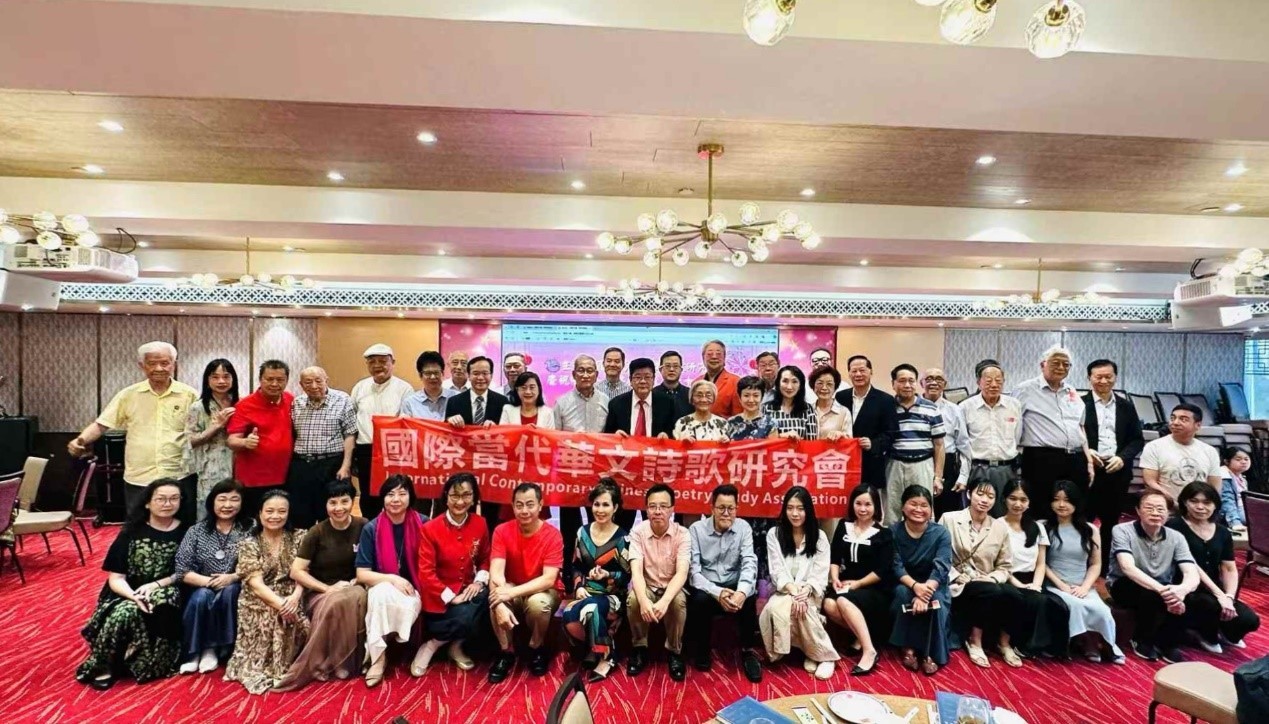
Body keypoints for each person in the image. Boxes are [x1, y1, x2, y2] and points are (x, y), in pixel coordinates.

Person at [75, 479, 188, 690]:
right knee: (126, 611)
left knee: (162, 602)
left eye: (174, 498)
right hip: (126, 591)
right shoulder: (131, 532)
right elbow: (116, 578)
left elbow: (184, 572)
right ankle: (105, 665)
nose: (168, 504)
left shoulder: (187, 532)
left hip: (167, 587)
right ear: (147, 503)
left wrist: (155, 585)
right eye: (161, 499)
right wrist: (134, 596)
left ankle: (154, 663)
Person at [69, 341, 198, 520]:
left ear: (174, 365)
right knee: (138, 528)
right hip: (139, 476)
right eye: (152, 363)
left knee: (182, 526)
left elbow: (202, 429)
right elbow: (102, 424)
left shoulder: (190, 395)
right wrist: (80, 440)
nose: (159, 368)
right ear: (142, 366)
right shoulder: (128, 395)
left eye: (165, 363)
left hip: (179, 473)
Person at [275, 481, 368, 690]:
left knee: (350, 598)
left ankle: (339, 661)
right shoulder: (317, 532)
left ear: (352, 502)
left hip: (355, 586)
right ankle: (328, 661)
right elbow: (297, 571)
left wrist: (357, 581)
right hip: (320, 591)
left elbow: (373, 560)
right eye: (333, 503)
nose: (339, 508)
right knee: (336, 601)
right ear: (325, 505)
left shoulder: (363, 526)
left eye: (344, 501)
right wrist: (328, 589)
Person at [224, 490, 309, 694]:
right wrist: (282, 606)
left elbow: (304, 572)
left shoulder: (300, 537)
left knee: (302, 621)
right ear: (260, 513)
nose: (275, 516)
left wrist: (295, 597)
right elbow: (256, 585)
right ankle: (266, 667)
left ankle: (292, 663)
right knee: (273, 613)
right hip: (258, 598)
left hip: (293, 594)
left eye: (282, 511)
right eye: (269, 511)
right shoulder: (249, 544)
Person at [1108, 490, 1201, 662]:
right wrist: (1163, 591)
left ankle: (1168, 643)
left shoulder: (1177, 537)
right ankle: (1141, 639)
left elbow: (1191, 572)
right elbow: (1127, 567)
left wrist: (1182, 590)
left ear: (1168, 513)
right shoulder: (1122, 530)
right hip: (1125, 583)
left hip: (1163, 585)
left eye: (1160, 509)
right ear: (1138, 510)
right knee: (1151, 595)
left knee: (1190, 596)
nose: (1155, 513)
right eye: (1149, 508)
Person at [354, 474, 430, 686]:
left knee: (381, 599)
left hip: (415, 591)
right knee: (380, 593)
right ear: (383, 498)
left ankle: (379, 653)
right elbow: (362, 574)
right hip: (383, 589)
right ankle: (379, 658)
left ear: (410, 497)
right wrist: (392, 579)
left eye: (402, 494)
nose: (395, 499)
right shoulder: (371, 529)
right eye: (390, 494)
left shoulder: (424, 524)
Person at [1167, 482, 1260, 653]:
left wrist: (1229, 597)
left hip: (1214, 588)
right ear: (1184, 502)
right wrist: (1219, 596)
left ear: (1215, 505)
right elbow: (1191, 565)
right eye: (1194, 501)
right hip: (1186, 587)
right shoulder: (1174, 526)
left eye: (1207, 502)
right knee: (1211, 606)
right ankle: (1201, 633)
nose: (1200, 507)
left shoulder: (1223, 532)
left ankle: (1222, 630)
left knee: (1250, 620)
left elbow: (1229, 568)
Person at [413, 472, 491, 676]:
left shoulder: (480, 523)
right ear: (446, 497)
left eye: (466, 495)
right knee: (466, 616)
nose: (460, 501)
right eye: (455, 495)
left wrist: (478, 582)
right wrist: (451, 597)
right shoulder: (430, 529)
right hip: (439, 597)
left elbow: (485, 558)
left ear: (474, 498)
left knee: (489, 597)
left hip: (468, 591)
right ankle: (432, 644)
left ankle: (455, 645)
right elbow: (426, 573)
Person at [940, 482, 1024, 668]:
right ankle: (974, 641)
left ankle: (1004, 643)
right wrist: (956, 576)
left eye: (990, 497)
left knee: (1015, 594)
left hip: (986, 581)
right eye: (980, 494)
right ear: (969, 494)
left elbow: (1005, 566)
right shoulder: (949, 519)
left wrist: (992, 578)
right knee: (990, 591)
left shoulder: (999, 527)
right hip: (958, 583)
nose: (985, 500)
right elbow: (938, 555)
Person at [759, 486, 839, 680]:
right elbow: (776, 570)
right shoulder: (774, 534)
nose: (795, 513)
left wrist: (806, 590)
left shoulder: (819, 537)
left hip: (810, 592)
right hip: (784, 590)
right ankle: (810, 651)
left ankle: (826, 657)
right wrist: (793, 591)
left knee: (802, 608)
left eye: (800, 508)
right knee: (774, 609)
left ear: (808, 510)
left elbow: (820, 574)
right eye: (790, 508)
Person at [488, 483, 565, 683]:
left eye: (530, 504)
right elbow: (495, 572)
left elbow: (548, 579)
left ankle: (536, 648)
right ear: (512, 506)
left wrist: (510, 593)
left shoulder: (552, 534)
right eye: (519, 505)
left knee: (538, 603)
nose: (524, 511)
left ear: (540, 505)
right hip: (512, 585)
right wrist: (499, 602)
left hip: (544, 590)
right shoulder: (501, 531)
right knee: (495, 596)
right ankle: (506, 652)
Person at [686, 484, 762, 683]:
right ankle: (702, 649)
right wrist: (717, 592)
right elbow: (694, 572)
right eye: (721, 508)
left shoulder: (743, 528)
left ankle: (747, 651)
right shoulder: (696, 530)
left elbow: (749, 562)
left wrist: (741, 592)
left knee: (749, 594)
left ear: (737, 509)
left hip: (734, 584)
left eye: (731, 508)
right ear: (712, 508)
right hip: (708, 587)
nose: (726, 513)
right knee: (699, 599)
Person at [1043, 480, 1125, 663]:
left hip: (1082, 584)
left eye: (1067, 500)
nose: (1061, 505)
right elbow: (1041, 563)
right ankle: (1082, 642)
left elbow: (1095, 564)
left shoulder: (1090, 529)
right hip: (1055, 584)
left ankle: (1104, 645)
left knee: (1102, 610)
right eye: (1056, 499)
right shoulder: (1044, 527)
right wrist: (1062, 586)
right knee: (1075, 605)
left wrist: (1085, 587)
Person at [174, 479, 250, 675]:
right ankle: (194, 653)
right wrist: (211, 582)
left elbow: (259, 562)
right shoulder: (196, 531)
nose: (227, 505)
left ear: (242, 503)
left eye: (234, 499)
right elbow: (182, 570)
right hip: (201, 584)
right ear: (212, 502)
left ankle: (214, 649)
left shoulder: (250, 528)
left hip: (237, 583)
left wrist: (233, 577)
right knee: (202, 596)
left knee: (229, 592)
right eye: (222, 499)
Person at [561, 478, 631, 682]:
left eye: (606, 505)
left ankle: (607, 656)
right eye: (597, 504)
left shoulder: (622, 538)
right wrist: (579, 586)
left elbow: (627, 575)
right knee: (569, 617)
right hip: (586, 592)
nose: (600, 510)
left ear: (615, 507)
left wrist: (608, 575)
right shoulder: (581, 533)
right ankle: (596, 647)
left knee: (591, 609)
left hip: (612, 596)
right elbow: (575, 566)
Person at [1082, 359, 1145, 569]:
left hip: (1117, 470)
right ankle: (1082, 563)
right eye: (1098, 377)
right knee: (1084, 519)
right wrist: (1087, 451)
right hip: (1088, 470)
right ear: (1089, 378)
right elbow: (1071, 435)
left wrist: (1123, 458)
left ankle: (1104, 566)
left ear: (1115, 377)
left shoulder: (1126, 406)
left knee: (1111, 521)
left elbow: (1137, 439)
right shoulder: (1079, 404)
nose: (1103, 381)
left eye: (1108, 376)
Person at [1015, 345, 1094, 509]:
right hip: (1042, 459)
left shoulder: (1071, 391)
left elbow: (1080, 427)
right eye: (1055, 363)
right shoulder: (1025, 390)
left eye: (1066, 364)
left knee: (1076, 507)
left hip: (1076, 458)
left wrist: (1089, 461)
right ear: (1042, 365)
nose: (1061, 367)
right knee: (1041, 508)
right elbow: (1012, 425)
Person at [626, 483, 691, 682]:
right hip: (647, 585)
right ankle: (640, 647)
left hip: (671, 587)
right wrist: (644, 600)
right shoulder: (638, 533)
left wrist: (664, 601)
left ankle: (674, 650)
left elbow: (682, 573)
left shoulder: (682, 534)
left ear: (672, 509)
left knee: (678, 602)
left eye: (663, 506)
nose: (657, 511)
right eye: (652, 506)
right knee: (633, 600)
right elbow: (636, 572)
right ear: (646, 509)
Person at [825, 485, 891, 676]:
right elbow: (835, 558)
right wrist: (835, 578)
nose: (863, 509)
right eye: (858, 503)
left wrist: (858, 583)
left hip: (873, 587)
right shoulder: (843, 525)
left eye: (868, 504)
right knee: (829, 604)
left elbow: (882, 570)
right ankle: (865, 636)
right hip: (846, 583)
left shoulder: (884, 533)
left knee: (843, 601)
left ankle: (869, 650)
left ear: (876, 506)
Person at [999, 479, 1067, 659]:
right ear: (1004, 499)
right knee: (1031, 600)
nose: (1018, 504)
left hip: (1033, 579)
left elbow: (1041, 563)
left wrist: (1036, 585)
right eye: (1013, 498)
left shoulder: (1037, 527)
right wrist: (1019, 585)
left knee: (1056, 604)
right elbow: (998, 563)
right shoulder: (997, 525)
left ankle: (1044, 648)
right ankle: (1015, 644)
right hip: (1008, 578)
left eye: (1023, 499)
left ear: (1029, 502)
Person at [603, 357, 675, 528]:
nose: (643, 381)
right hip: (625, 474)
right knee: (622, 524)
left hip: (654, 472)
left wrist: (667, 436)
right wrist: (614, 436)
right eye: (637, 377)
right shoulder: (617, 404)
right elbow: (607, 436)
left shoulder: (667, 403)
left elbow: (674, 433)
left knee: (653, 522)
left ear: (654, 379)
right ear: (630, 380)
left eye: (647, 377)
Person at [553, 354, 610, 566]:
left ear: (596, 374)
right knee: (569, 527)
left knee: (599, 522)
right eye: (581, 370)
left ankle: (598, 570)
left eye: (590, 370)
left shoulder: (606, 401)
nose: (585, 375)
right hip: (570, 474)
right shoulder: (561, 402)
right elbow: (554, 438)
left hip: (598, 473)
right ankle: (569, 572)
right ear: (573, 374)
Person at [890, 485, 952, 676]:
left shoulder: (941, 533)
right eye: (913, 504)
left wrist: (925, 593)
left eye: (924, 505)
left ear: (931, 509)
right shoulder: (893, 531)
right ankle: (907, 647)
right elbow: (896, 565)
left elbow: (942, 566)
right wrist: (915, 587)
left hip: (934, 584)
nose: (918, 509)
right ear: (903, 506)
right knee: (902, 594)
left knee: (937, 602)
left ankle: (929, 652)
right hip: (905, 582)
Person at [351, 344, 416, 519]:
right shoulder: (360, 387)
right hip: (366, 450)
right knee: (368, 496)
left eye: (382, 361)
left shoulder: (405, 388)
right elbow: (352, 418)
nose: (377, 365)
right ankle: (371, 529)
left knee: (394, 493)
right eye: (372, 362)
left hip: (393, 451)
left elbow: (407, 421)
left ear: (392, 362)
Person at [288, 367, 356, 529]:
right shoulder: (297, 403)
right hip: (302, 465)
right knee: (301, 513)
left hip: (331, 464)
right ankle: (304, 544)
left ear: (326, 380)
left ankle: (330, 544)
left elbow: (350, 434)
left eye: (318, 381)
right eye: (308, 382)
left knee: (330, 511)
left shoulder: (342, 400)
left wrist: (346, 466)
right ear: (301, 385)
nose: (314, 386)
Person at [446, 356, 509, 531]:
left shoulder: (503, 402)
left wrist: (498, 428)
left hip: (493, 468)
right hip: (464, 465)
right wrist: (450, 421)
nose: (480, 378)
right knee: (465, 507)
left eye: (485, 373)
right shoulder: (454, 401)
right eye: (475, 373)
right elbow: (444, 435)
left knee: (492, 514)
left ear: (491, 375)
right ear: (468, 375)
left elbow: (509, 434)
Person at [226, 360, 295, 517]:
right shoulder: (244, 405)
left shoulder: (291, 400)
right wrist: (245, 442)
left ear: (287, 380)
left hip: (285, 476)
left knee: (280, 520)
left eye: (280, 380)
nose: (274, 384)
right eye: (269, 379)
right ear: (260, 379)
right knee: (253, 522)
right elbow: (231, 440)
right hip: (253, 480)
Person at [959, 359, 1023, 518]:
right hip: (978, 469)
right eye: (988, 381)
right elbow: (963, 445)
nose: (994, 385)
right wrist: (963, 476)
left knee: (1005, 516)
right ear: (978, 382)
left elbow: (1017, 438)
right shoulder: (965, 407)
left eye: (999, 381)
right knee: (977, 515)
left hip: (1006, 470)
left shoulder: (1014, 405)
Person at [887, 364, 945, 525]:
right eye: (902, 381)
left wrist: (938, 477)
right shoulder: (887, 407)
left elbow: (939, 445)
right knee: (892, 511)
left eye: (911, 381)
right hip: (894, 465)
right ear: (893, 384)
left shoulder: (931, 408)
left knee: (923, 510)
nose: (907, 385)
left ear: (917, 383)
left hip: (922, 465)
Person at [182, 359, 239, 523]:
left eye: (226, 376)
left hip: (239, 465)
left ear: (233, 379)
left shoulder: (241, 404)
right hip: (210, 469)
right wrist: (216, 427)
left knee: (237, 509)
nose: (221, 381)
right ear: (207, 381)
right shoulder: (198, 407)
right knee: (210, 510)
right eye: (215, 377)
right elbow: (189, 441)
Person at [835, 355, 899, 490]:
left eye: (862, 370)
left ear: (871, 371)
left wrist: (873, 444)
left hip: (871, 463)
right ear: (849, 373)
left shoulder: (885, 400)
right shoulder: (840, 397)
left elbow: (892, 433)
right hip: (842, 462)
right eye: (854, 371)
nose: (858, 374)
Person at [1140, 403, 1222, 507]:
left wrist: (1202, 506)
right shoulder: (1154, 447)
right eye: (1173, 418)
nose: (1175, 423)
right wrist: (1174, 504)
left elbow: (1214, 486)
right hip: (1167, 509)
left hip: (1198, 509)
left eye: (1183, 419)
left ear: (1198, 425)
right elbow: (1150, 482)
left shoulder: (1210, 451)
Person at [923, 367, 970, 518]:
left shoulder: (955, 410)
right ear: (921, 383)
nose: (934, 383)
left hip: (948, 466)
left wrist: (963, 476)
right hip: (921, 462)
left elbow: (963, 445)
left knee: (947, 515)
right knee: (920, 510)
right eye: (929, 379)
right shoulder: (914, 407)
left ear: (945, 384)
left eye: (939, 379)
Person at [764, 365, 819, 440]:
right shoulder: (766, 408)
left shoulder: (808, 409)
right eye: (785, 381)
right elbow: (760, 438)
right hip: (773, 448)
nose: (789, 387)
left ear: (800, 385)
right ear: (778, 383)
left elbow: (811, 441)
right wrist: (782, 436)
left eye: (794, 381)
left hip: (799, 448)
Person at [400, 351, 456, 421]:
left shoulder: (456, 397)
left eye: (436, 372)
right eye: (428, 373)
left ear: (443, 373)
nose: (433, 377)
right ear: (420, 376)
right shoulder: (410, 403)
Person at [727, 375, 779, 441]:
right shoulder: (731, 422)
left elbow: (773, 446)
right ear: (740, 398)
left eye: (756, 395)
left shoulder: (770, 423)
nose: (751, 400)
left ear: (762, 397)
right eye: (746, 395)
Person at [698, 339, 742, 417]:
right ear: (703, 358)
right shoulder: (696, 382)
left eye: (718, 354)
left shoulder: (735, 382)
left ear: (724, 358)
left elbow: (738, 416)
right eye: (709, 354)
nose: (714, 357)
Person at [810, 366, 852, 441]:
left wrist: (841, 435)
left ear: (835, 387)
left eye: (829, 384)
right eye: (820, 383)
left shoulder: (844, 412)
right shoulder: (807, 410)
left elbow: (850, 441)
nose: (824, 388)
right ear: (813, 386)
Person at [1220, 447, 1253, 530]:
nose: (1244, 462)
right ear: (1226, 461)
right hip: (1231, 515)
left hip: (1243, 510)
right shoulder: (1224, 476)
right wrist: (1235, 523)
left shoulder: (1242, 478)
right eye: (1238, 459)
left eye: (1246, 459)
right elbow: (1227, 501)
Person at [654, 350, 693, 419]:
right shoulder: (653, 394)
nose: (671, 369)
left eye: (675, 366)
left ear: (681, 370)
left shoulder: (690, 395)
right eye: (668, 366)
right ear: (660, 370)